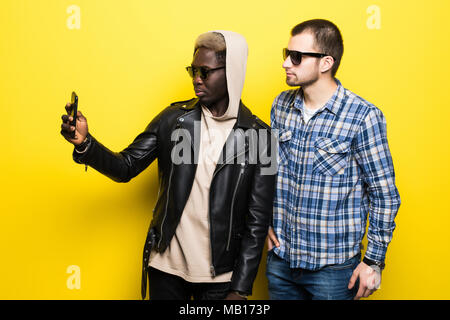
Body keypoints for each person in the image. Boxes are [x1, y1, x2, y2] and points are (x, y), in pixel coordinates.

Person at [60, 31, 275, 300]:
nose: (197, 78)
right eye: (193, 70)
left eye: (205, 72)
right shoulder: (173, 120)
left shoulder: (262, 138)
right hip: (165, 271)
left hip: (221, 279)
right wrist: (85, 143)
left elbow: (258, 220)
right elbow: (126, 166)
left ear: (231, 71)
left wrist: (240, 288)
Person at [266, 19, 401, 300]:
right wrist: (263, 222)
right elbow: (268, 169)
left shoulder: (363, 117)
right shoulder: (281, 105)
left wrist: (374, 261)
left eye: (296, 57)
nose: (286, 64)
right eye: (286, 54)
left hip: (333, 271)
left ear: (326, 62)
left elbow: (385, 195)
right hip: (281, 262)